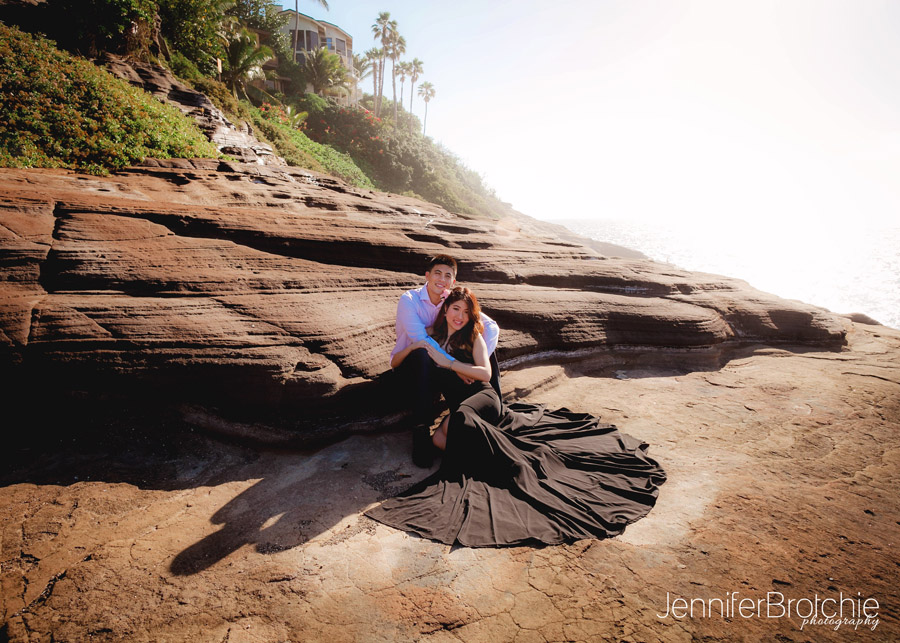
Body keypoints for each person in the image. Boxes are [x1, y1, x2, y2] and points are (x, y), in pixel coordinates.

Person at [367, 286, 667, 547]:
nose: (459, 316)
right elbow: (396, 361)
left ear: (472, 316)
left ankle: (507, 463)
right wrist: (417, 345)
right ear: (445, 310)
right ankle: (482, 449)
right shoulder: (431, 336)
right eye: (455, 309)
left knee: (458, 423)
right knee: (438, 439)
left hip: (483, 399)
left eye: (466, 312)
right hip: (461, 406)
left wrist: (450, 365)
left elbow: (484, 374)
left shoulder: (474, 337)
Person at [390, 254, 500, 468]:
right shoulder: (409, 300)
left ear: (453, 281)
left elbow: (491, 326)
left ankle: (495, 406)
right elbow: (422, 341)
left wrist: (472, 366)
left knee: (485, 348)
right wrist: (456, 367)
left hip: (441, 366)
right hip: (413, 365)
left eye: (447, 276)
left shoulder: (450, 300)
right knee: (423, 353)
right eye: (437, 273)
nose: (442, 279)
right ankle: (421, 430)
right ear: (427, 276)